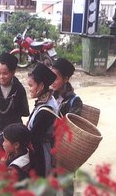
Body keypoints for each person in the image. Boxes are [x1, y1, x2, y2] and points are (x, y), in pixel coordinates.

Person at [0, 52, 30, 189]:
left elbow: (23, 111)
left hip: (13, 131)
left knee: (13, 162)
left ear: (13, 72)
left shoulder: (19, 89)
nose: (1, 77)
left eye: (5, 73)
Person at [51, 58, 83, 196]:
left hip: (65, 148)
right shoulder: (48, 96)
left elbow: (71, 124)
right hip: (50, 145)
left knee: (66, 182)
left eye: (56, 78)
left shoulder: (75, 101)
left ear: (66, 79)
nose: (52, 81)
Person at [26, 62, 58, 177]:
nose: (29, 89)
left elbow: (35, 140)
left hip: (42, 154)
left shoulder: (46, 110)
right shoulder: (48, 100)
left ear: (41, 86)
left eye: (31, 85)